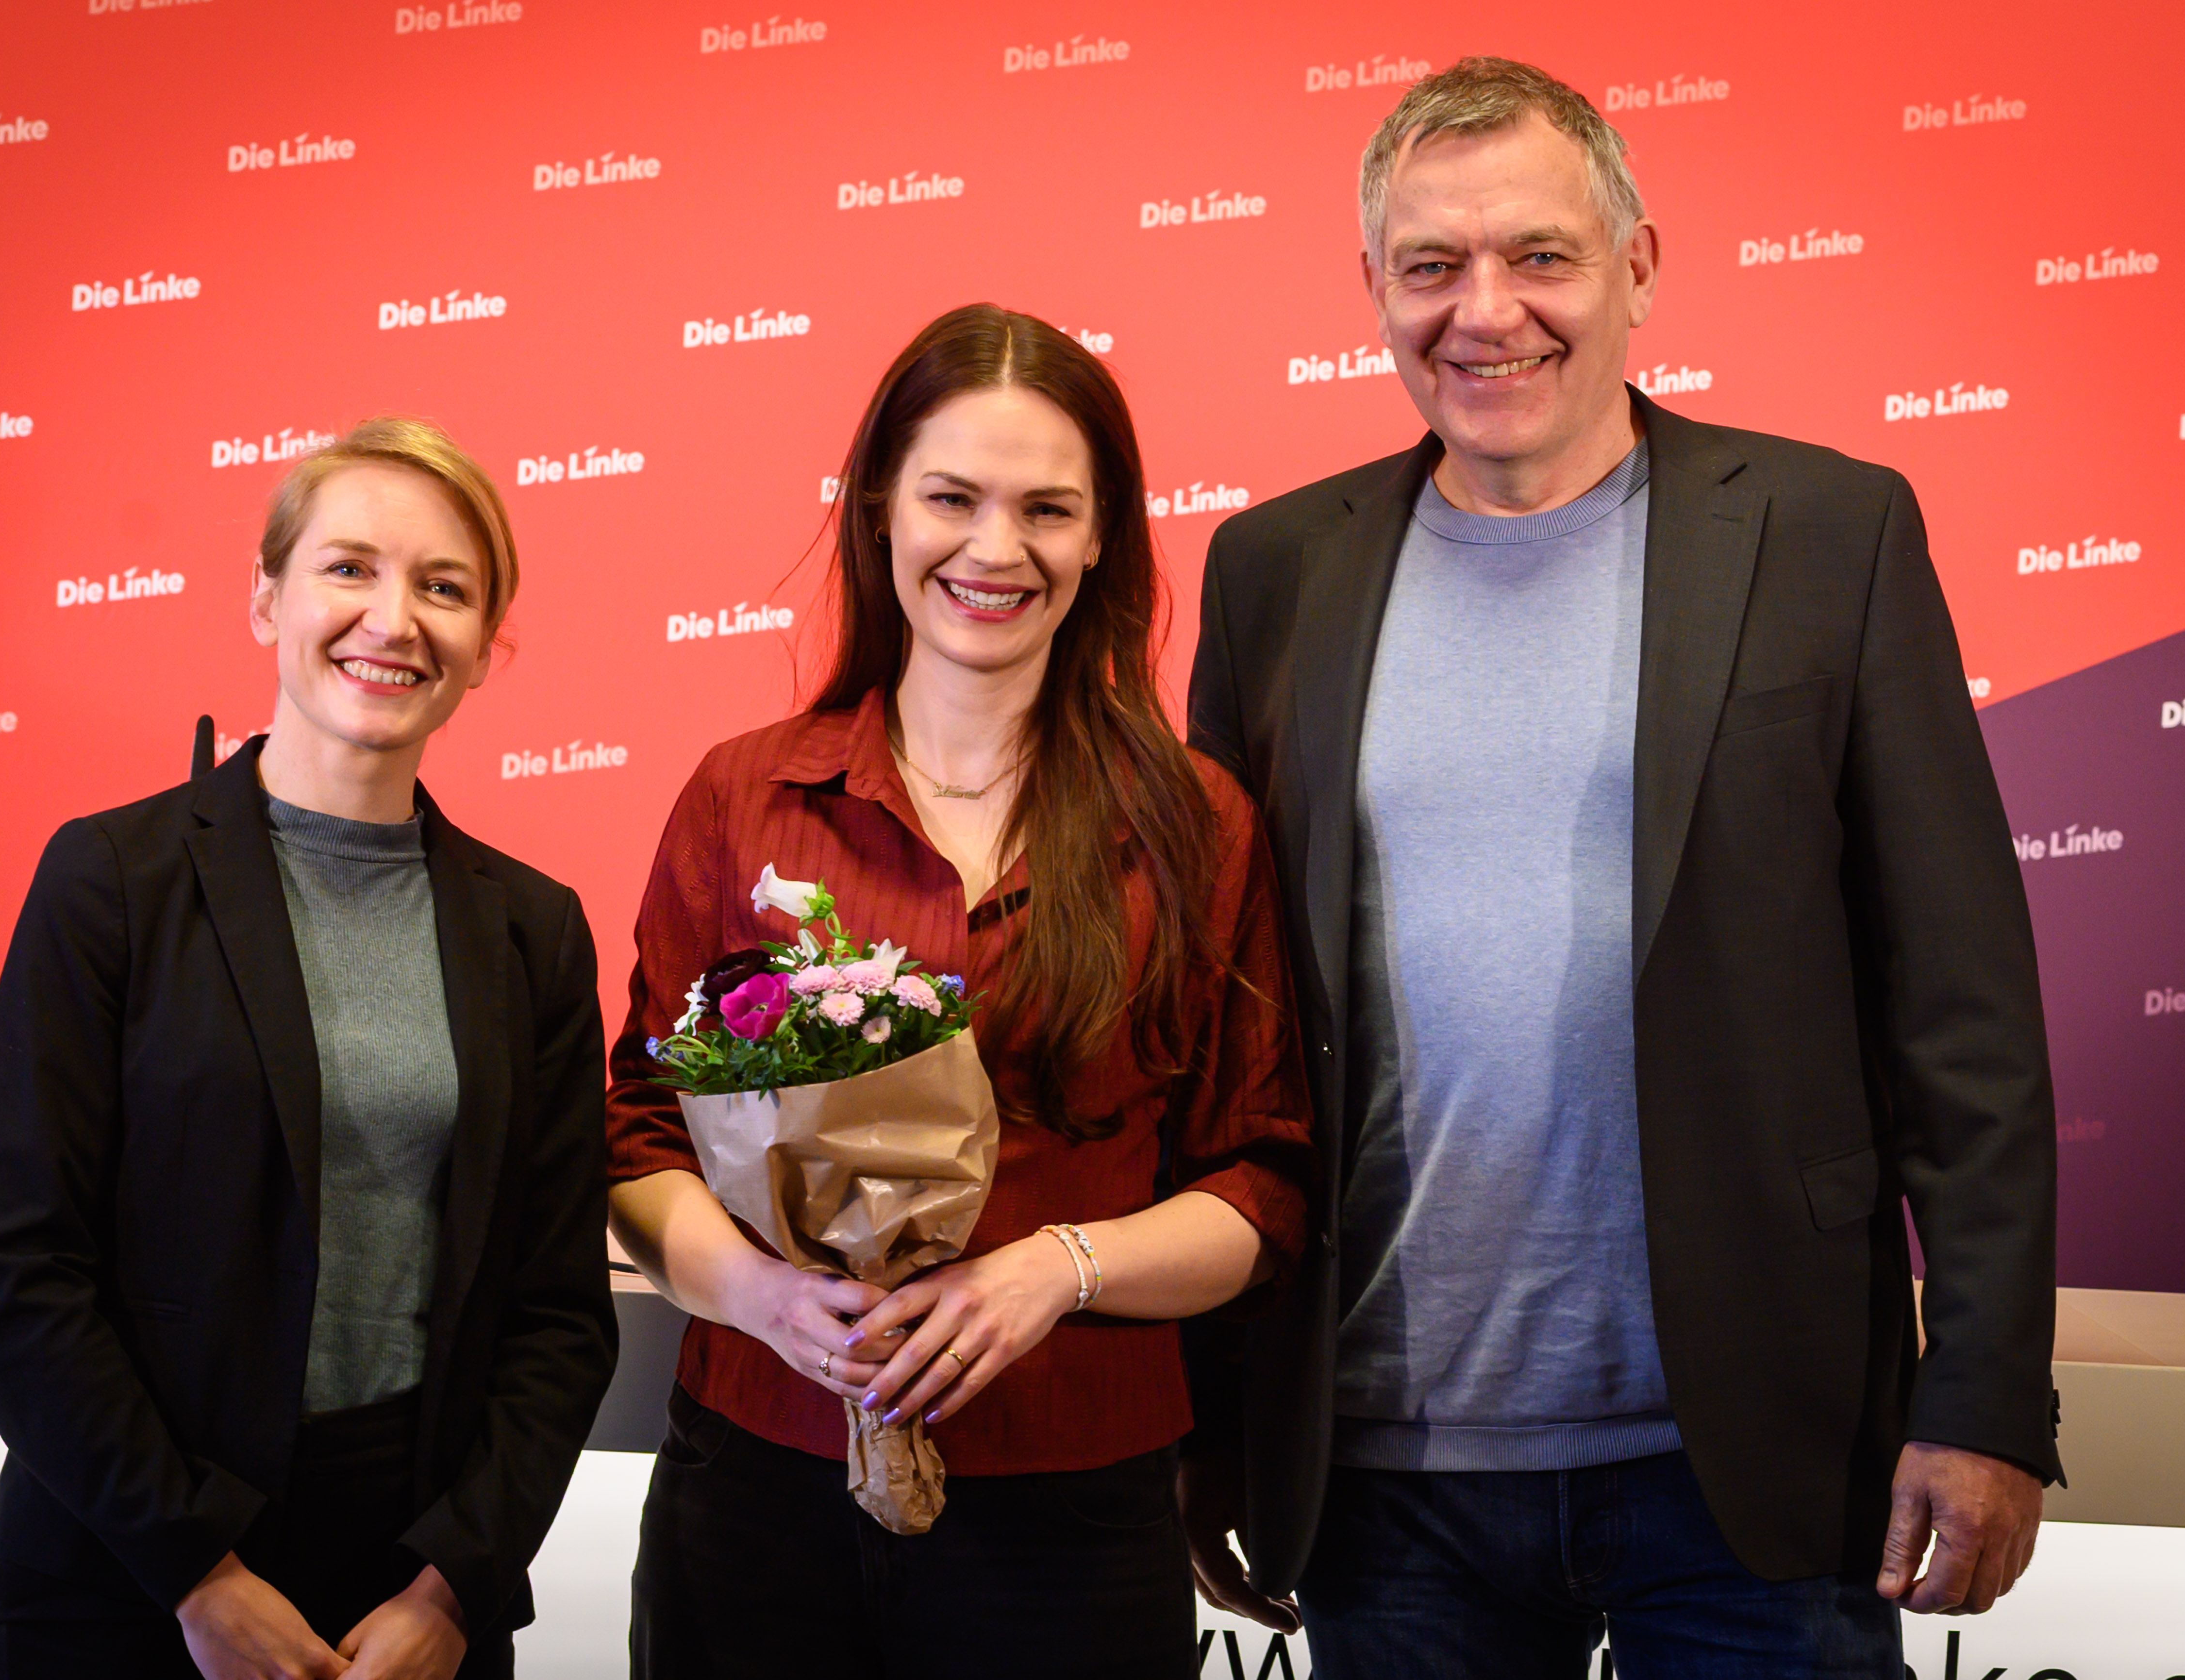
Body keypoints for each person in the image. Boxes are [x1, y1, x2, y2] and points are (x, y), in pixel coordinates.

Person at [1179, 57, 2061, 1679]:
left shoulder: (1827, 530)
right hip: (1388, 1467)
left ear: (1638, 265)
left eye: (1539, 256)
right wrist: (1215, 1412)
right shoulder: (1269, 571)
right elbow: (1226, 1033)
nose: (1484, 311)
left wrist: (1989, 1397)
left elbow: (1963, 1012)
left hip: (1754, 1453)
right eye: (1430, 266)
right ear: (1371, 288)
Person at [606, 304, 1316, 1678]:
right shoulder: (744, 795)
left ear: (1104, 534)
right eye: (952, 498)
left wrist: (1058, 1271)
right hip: (759, 1486)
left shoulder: (1196, 823)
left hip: (1074, 1506)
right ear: (880, 509)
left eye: (1047, 508)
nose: (995, 550)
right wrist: (758, 1297)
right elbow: (637, 1135)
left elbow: (1262, 1184)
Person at [0, 417, 618, 1680]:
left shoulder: (534, 931)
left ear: (486, 648)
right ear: (268, 600)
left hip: (405, 1592)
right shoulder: (112, 881)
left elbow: (558, 1315)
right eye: (349, 567)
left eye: (445, 587)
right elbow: (10, 1270)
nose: (394, 616)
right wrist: (199, 1575)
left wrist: (457, 1587)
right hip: (119, 1574)